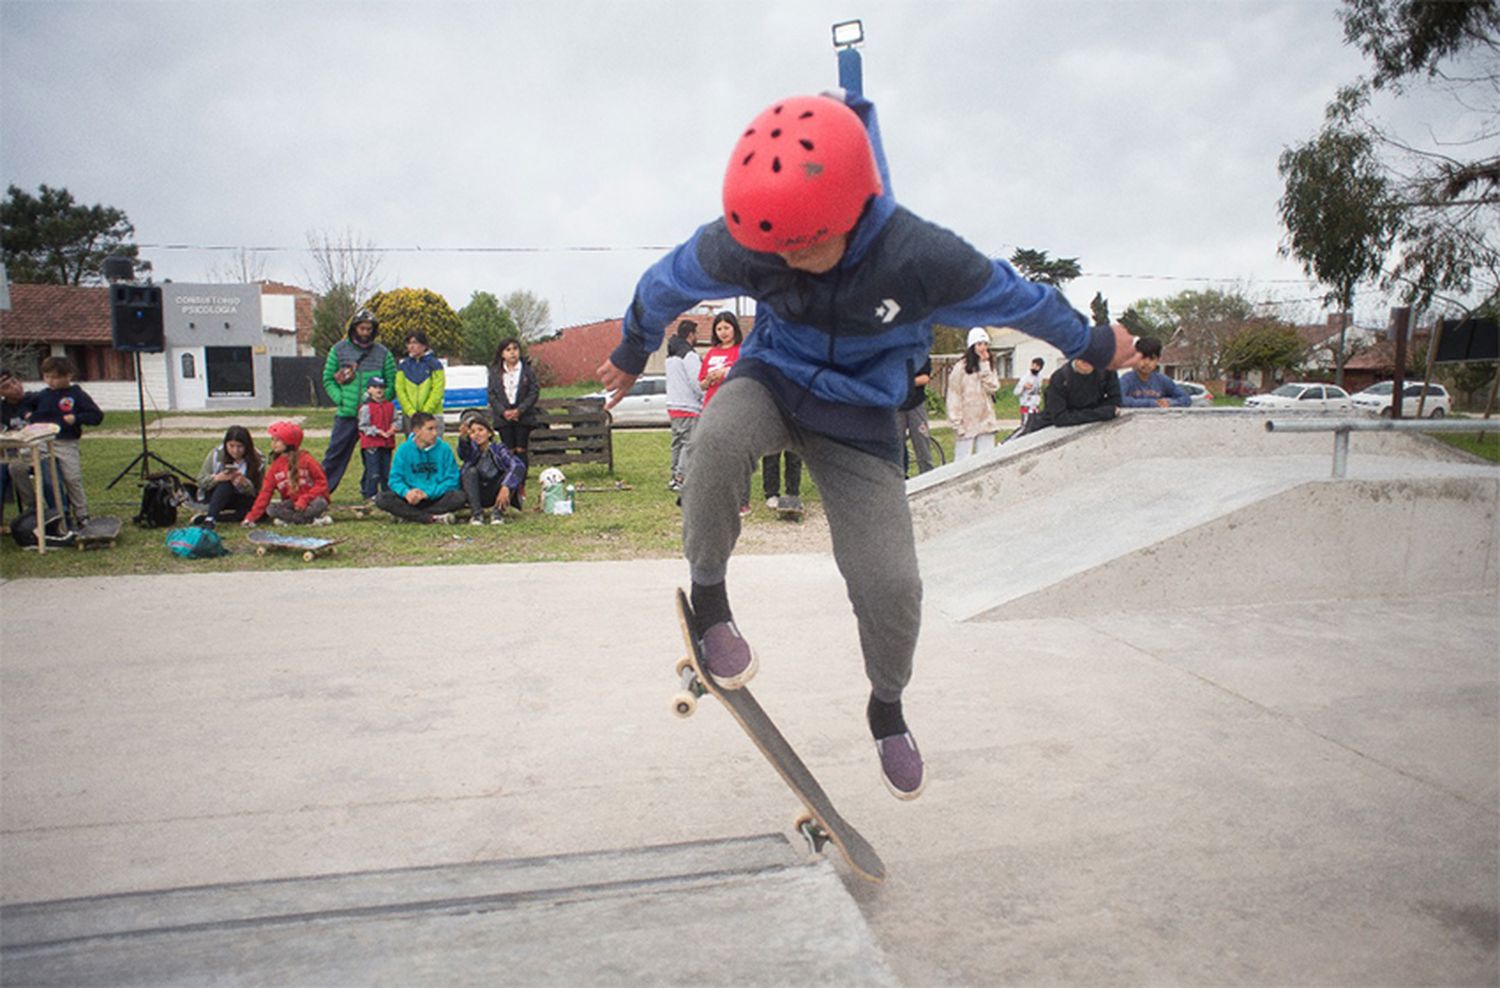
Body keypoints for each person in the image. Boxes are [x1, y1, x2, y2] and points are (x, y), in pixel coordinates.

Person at [596, 90, 1138, 800]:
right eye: (776, 252)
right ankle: (711, 602)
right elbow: (665, 282)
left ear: (850, 215)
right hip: (774, 378)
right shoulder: (747, 243)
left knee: (891, 584)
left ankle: (887, 709)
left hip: (861, 420)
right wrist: (635, 346)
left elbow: (1019, 299)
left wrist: (1093, 342)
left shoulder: (922, 258)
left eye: (804, 247)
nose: (787, 260)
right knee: (718, 439)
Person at [322, 308, 397, 497]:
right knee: (335, 456)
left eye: (369, 329)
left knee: (375, 458)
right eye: (362, 328)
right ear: (354, 328)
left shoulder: (383, 353)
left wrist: (379, 402)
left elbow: (391, 382)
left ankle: (371, 494)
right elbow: (328, 379)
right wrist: (341, 399)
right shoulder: (338, 350)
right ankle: (322, 492)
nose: (365, 332)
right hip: (347, 415)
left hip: (374, 417)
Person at [25, 356, 103, 526]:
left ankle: (82, 514)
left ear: (68, 376)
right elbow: (24, 405)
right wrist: (27, 415)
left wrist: (76, 418)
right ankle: (56, 513)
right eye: (47, 377)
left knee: (72, 478)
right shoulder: (41, 396)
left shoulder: (77, 395)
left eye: (55, 377)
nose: (50, 381)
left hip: (66, 442)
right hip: (43, 441)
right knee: (47, 477)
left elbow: (96, 416)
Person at [699, 311, 751, 515]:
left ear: (735, 328)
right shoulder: (711, 353)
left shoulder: (743, 351)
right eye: (719, 329)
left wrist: (726, 373)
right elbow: (701, 384)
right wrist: (709, 380)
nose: (723, 332)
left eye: (726, 327)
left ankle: (742, 501)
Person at [375, 412, 466, 523]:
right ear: (417, 431)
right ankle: (431, 518)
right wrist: (407, 493)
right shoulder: (404, 450)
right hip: (411, 498)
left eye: (435, 428)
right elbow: (395, 480)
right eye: (430, 429)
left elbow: (452, 480)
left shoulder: (444, 449)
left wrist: (427, 493)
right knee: (382, 498)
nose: (435, 433)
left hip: (435, 496)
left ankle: (409, 516)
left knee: (459, 497)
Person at [242, 421, 332, 527]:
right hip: (292, 503)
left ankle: (292, 520)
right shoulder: (275, 466)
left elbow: (322, 484)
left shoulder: (307, 460)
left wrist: (304, 499)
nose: (273, 443)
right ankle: (310, 520)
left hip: (310, 501)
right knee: (271, 509)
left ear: (289, 442)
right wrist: (251, 517)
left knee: (320, 502)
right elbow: (266, 492)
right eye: (273, 439)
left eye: (278, 440)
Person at [458, 413, 526, 525]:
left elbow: (517, 465)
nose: (477, 434)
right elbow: (463, 453)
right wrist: (463, 438)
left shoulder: (499, 449)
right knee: (470, 472)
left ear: (489, 433)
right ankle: (476, 514)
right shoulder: (471, 451)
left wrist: (506, 486)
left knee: (509, 475)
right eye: (473, 432)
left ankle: (497, 513)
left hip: (495, 489)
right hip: (476, 491)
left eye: (481, 430)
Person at [945, 328, 1002, 461]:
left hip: (985, 419)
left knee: (986, 459)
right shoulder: (960, 368)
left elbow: (993, 387)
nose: (983, 348)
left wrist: (984, 366)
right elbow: (954, 395)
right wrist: (957, 422)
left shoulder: (988, 365)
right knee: (963, 460)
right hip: (967, 421)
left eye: (985, 344)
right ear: (972, 346)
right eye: (979, 344)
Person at [193, 425, 264, 527]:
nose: (235, 451)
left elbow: (258, 491)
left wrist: (245, 483)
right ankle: (210, 518)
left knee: (261, 513)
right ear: (225, 444)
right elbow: (200, 481)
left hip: (241, 498)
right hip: (216, 496)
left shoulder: (258, 459)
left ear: (247, 446)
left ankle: (217, 518)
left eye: (240, 446)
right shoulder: (217, 454)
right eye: (231, 446)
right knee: (226, 484)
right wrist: (217, 478)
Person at [1029, 356, 1122, 431]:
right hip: (1049, 428)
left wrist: (1085, 415)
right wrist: (1101, 413)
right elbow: (1060, 418)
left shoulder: (1107, 372)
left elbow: (1115, 402)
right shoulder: (1060, 378)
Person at [487, 338, 541, 466]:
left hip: (523, 416)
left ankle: (521, 483)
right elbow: (492, 394)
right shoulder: (495, 372)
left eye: (515, 349)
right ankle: (510, 482)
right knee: (508, 451)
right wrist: (504, 412)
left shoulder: (527, 370)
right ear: (502, 353)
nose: (512, 353)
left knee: (521, 450)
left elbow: (533, 392)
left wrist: (519, 411)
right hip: (503, 417)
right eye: (508, 350)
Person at [665, 320, 704, 491]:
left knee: (678, 443)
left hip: (673, 405)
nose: (697, 337)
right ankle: (682, 478)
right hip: (688, 406)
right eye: (696, 333)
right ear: (690, 334)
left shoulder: (671, 355)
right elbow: (697, 382)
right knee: (690, 444)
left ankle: (674, 476)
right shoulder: (689, 355)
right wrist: (704, 398)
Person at [357, 376, 402, 500]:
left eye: (381, 387)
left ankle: (386, 494)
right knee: (373, 471)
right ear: (369, 389)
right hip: (371, 444)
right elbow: (362, 426)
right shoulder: (366, 407)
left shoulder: (390, 406)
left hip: (387, 443)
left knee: (386, 471)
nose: (379, 390)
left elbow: (397, 420)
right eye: (375, 387)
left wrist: (394, 428)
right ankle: (369, 493)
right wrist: (377, 432)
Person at [395, 330, 447, 436]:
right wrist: (410, 411)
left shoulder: (435, 364)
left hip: (432, 414)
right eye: (409, 343)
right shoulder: (403, 366)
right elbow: (400, 390)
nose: (411, 346)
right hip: (410, 416)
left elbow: (437, 389)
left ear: (424, 345)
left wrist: (426, 411)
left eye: (415, 343)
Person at [1118, 337, 1191, 408]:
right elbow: (1118, 400)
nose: (1146, 363)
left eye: (1151, 359)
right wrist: (1152, 403)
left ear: (1158, 360)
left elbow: (1185, 399)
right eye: (1143, 358)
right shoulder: (1127, 380)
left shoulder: (1163, 380)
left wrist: (1170, 403)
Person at [898, 356, 934, 475]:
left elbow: (925, 378)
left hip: (916, 404)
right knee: (897, 448)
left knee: (922, 444)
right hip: (896, 407)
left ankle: (927, 476)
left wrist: (907, 382)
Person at [1014, 357, 1045, 432]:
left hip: (1035, 406)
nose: (1034, 368)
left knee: (1034, 427)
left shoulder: (1040, 378)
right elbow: (1016, 392)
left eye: (1037, 367)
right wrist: (1023, 387)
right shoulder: (1025, 377)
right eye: (1033, 365)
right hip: (1026, 406)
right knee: (1024, 427)